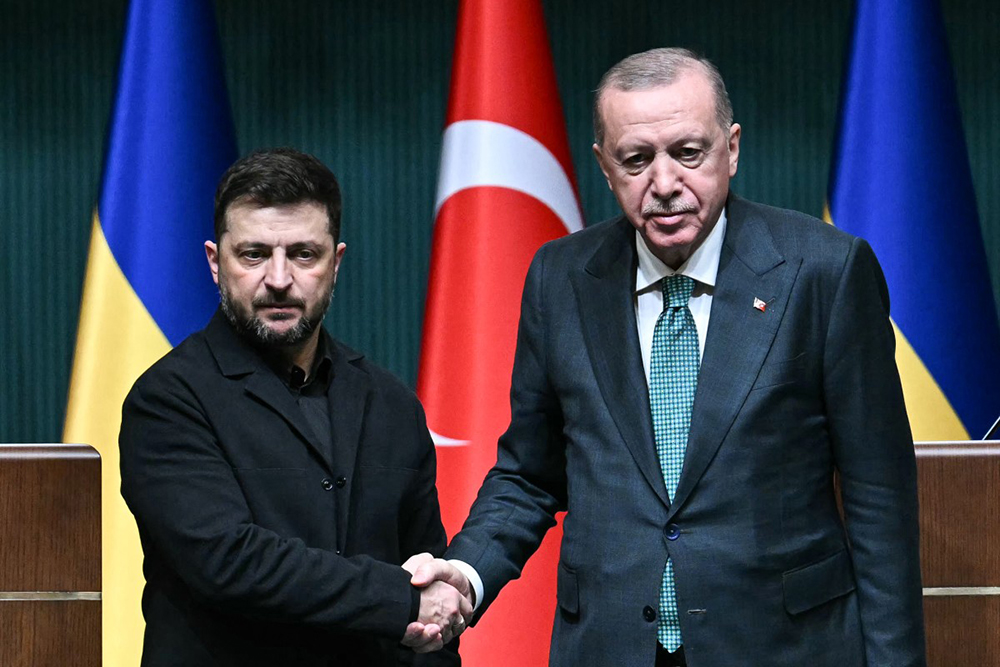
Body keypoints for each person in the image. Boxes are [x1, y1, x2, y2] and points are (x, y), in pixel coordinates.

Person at [407, 48, 926, 666]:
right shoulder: (561, 277)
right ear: (604, 166)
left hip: (783, 648)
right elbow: (529, 474)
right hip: (610, 647)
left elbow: (878, 500)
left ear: (731, 149)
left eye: (688, 152)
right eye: (636, 159)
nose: (664, 183)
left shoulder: (825, 272)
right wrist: (466, 574)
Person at [119, 148, 468, 666]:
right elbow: (230, 562)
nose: (279, 278)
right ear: (216, 263)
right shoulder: (167, 399)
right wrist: (399, 600)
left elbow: (428, 581)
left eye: (304, 254)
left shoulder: (391, 402)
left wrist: (427, 617)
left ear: (336, 262)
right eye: (254, 254)